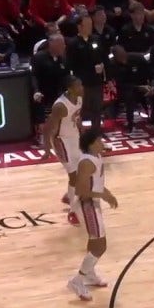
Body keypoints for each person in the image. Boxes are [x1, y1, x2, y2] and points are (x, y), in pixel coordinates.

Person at [68, 128, 118, 301]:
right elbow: (82, 189)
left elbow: (96, 183)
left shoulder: (96, 157)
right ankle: (77, 280)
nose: (102, 143)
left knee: (94, 241)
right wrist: (103, 195)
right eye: (99, 141)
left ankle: (89, 274)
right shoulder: (87, 162)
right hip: (86, 203)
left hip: (92, 202)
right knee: (100, 246)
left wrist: (107, 193)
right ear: (90, 144)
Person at [46, 76, 85, 226]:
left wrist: (82, 129)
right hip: (61, 141)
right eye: (78, 85)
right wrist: (46, 148)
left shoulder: (79, 98)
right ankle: (73, 212)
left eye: (81, 84)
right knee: (75, 176)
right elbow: (48, 128)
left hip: (73, 138)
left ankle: (70, 196)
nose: (81, 88)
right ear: (69, 88)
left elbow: (76, 117)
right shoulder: (60, 106)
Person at [67, 13, 108, 136]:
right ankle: (78, 131)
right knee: (81, 109)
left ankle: (96, 131)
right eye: (87, 25)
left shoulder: (96, 39)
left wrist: (103, 66)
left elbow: (103, 57)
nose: (90, 27)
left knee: (97, 108)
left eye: (91, 24)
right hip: (82, 83)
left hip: (96, 81)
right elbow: (71, 65)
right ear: (79, 27)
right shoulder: (73, 43)